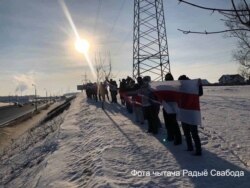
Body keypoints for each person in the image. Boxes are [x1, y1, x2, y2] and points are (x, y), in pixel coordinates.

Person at [178, 75, 202, 156]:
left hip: (192, 113)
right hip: (184, 113)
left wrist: (199, 85)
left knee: (194, 133)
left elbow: (200, 93)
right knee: (186, 132)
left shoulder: (193, 87)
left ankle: (198, 150)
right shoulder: (180, 87)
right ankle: (190, 147)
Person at [162, 73, 182, 145]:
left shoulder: (175, 85)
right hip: (165, 107)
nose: (167, 78)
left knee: (174, 124)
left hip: (173, 108)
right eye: (166, 77)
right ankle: (170, 136)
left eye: (168, 77)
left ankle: (178, 139)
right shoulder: (164, 86)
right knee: (167, 124)